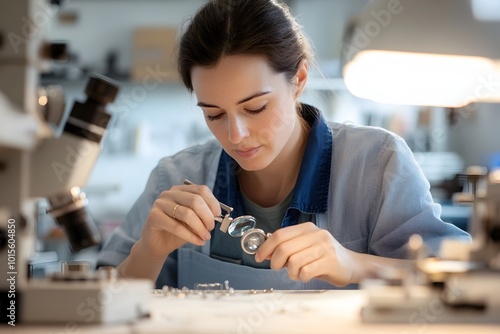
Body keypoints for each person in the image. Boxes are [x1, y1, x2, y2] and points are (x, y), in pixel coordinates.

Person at [97, 0, 470, 290]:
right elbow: (93, 306)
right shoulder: (177, 177)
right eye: (213, 114)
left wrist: (355, 264)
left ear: (299, 79)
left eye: (255, 107)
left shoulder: (377, 164)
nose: (236, 135)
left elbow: (460, 282)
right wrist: (148, 252)